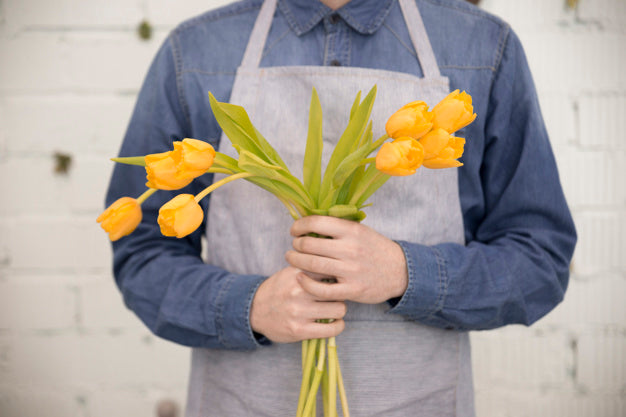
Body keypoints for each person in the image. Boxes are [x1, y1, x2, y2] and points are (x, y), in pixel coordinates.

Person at [104, 0, 576, 416]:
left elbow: (541, 261)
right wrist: (247, 307)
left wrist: (407, 273)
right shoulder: (196, 52)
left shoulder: (482, 47)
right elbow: (141, 255)